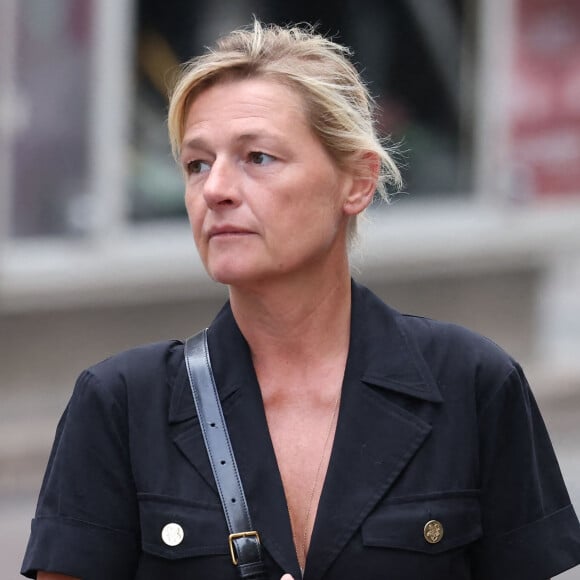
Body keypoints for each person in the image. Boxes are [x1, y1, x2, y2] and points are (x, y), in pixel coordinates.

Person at [22, 20, 580, 580]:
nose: (215, 189)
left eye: (258, 157)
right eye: (197, 164)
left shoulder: (471, 385)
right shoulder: (120, 405)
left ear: (356, 183)